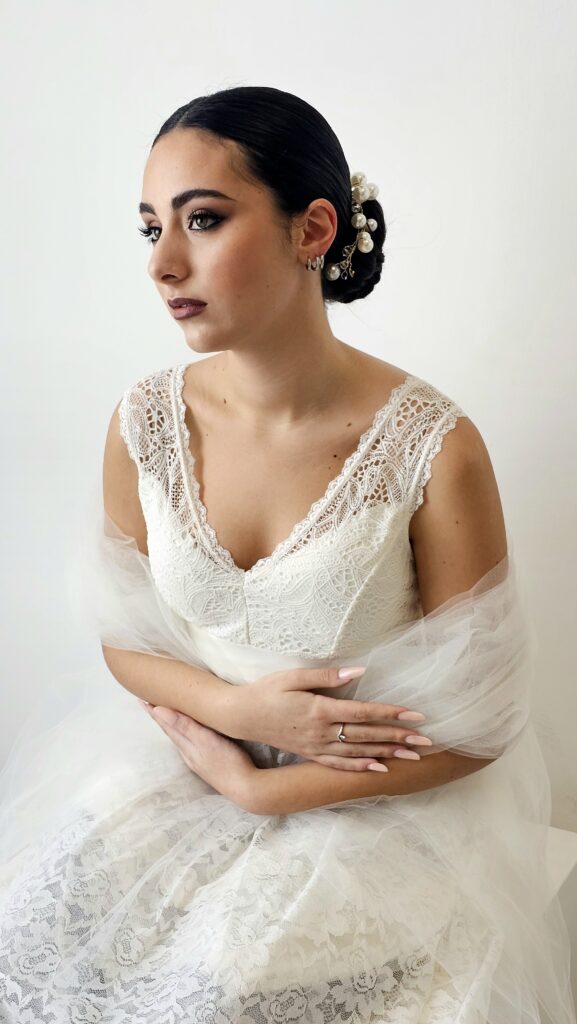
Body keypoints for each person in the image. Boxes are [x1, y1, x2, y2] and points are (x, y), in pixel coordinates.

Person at [0, 85, 574, 1024]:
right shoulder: (144, 422)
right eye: (150, 228)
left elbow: (480, 725)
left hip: (373, 806)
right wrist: (234, 714)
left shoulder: (432, 447)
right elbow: (125, 636)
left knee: (200, 1001)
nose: (163, 263)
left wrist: (267, 792)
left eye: (203, 219)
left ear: (312, 230)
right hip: (190, 759)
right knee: (24, 944)